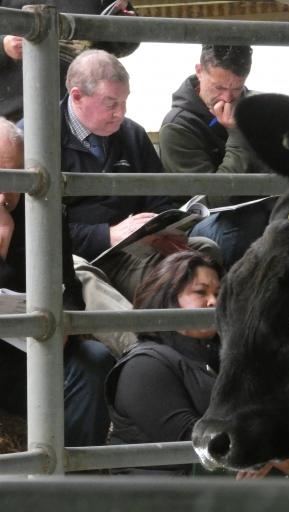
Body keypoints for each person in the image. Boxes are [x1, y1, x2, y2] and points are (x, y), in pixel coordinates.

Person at [58, 49, 219, 302]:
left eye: (124, 102)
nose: (121, 113)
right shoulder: (40, 140)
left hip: (140, 245)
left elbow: (158, 198)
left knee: (207, 249)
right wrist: (107, 235)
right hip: (89, 254)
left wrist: (163, 229)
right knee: (171, 280)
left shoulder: (132, 134)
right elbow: (36, 226)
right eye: (111, 103)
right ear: (77, 96)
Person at [0, 117, 115, 447]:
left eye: (15, 177)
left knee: (94, 361)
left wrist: (63, 322)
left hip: (36, 346)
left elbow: (70, 284)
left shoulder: (44, 210)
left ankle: (73, 479)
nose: (6, 194)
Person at [105, 250, 223, 474]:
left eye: (218, 293)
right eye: (200, 292)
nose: (214, 302)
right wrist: (263, 456)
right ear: (167, 298)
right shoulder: (144, 365)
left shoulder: (215, 354)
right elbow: (192, 441)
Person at [160, 44, 275, 269]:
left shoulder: (258, 106)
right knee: (238, 230)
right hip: (204, 223)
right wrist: (238, 134)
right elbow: (212, 200)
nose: (228, 98)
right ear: (199, 71)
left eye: (237, 88)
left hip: (261, 209)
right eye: (218, 87)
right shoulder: (178, 127)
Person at [0, 0, 138, 122]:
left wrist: (125, 22)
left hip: (81, 115)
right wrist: (4, 45)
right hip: (11, 118)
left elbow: (126, 42)